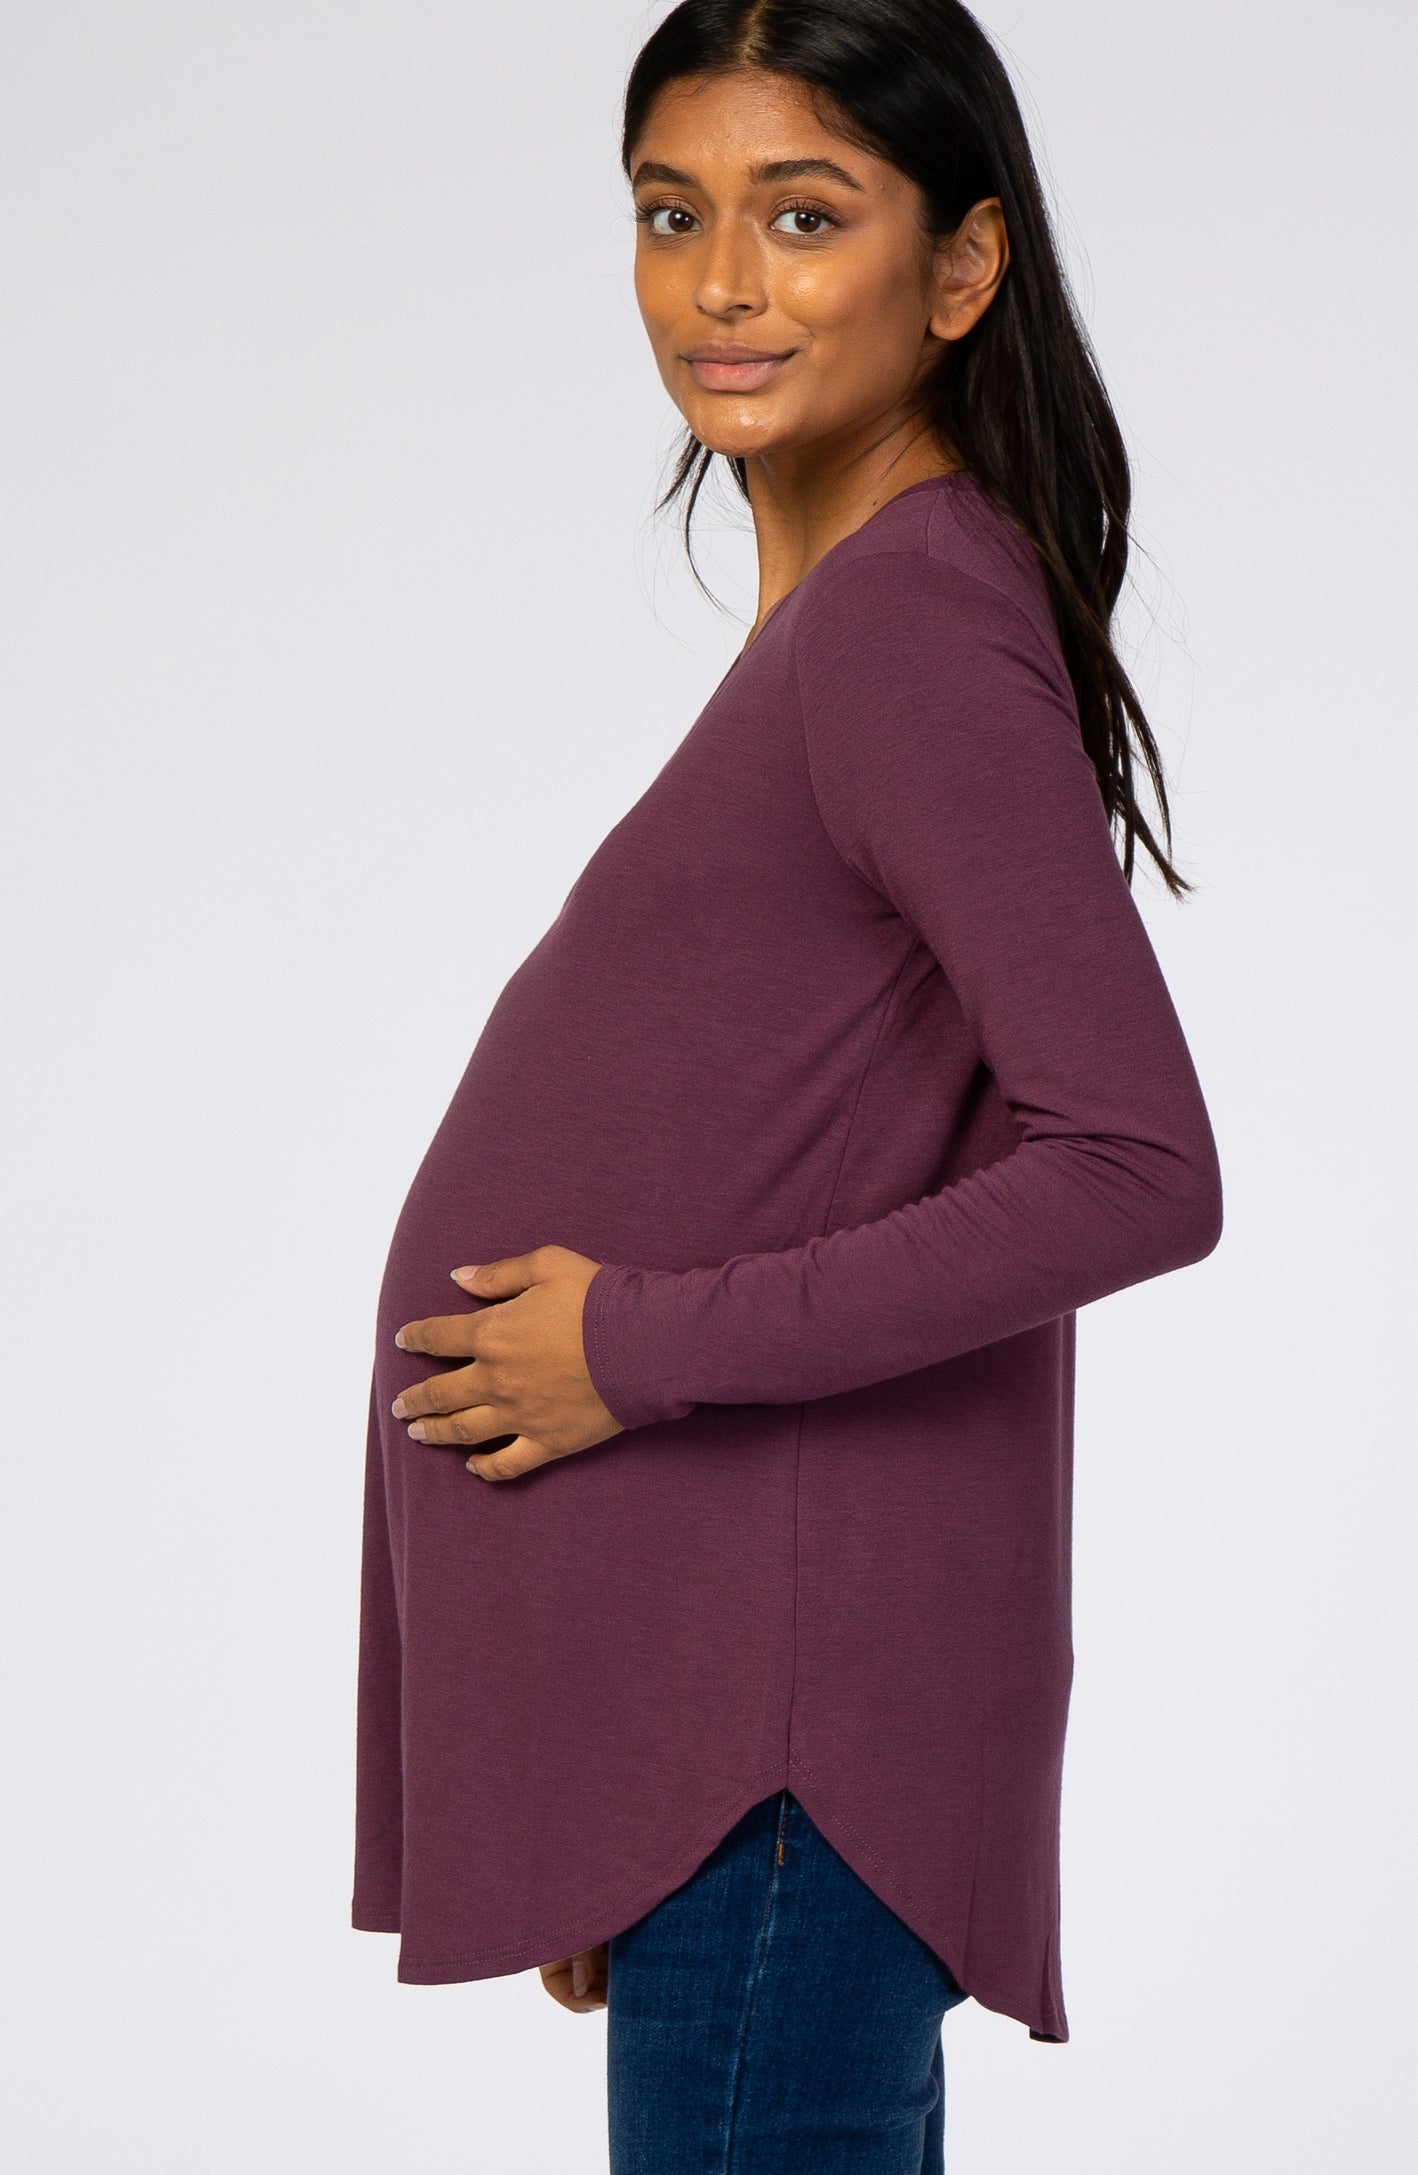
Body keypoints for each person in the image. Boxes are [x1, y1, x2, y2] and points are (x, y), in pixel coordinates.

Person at [352, 2, 1224, 2168]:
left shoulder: (907, 619)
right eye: (672, 215)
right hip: (717, 1733)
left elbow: (1135, 1163)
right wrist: (601, 1737)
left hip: (783, 1742)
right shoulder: (853, 615)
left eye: (804, 215)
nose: (721, 284)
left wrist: (627, 1347)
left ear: (960, 267)